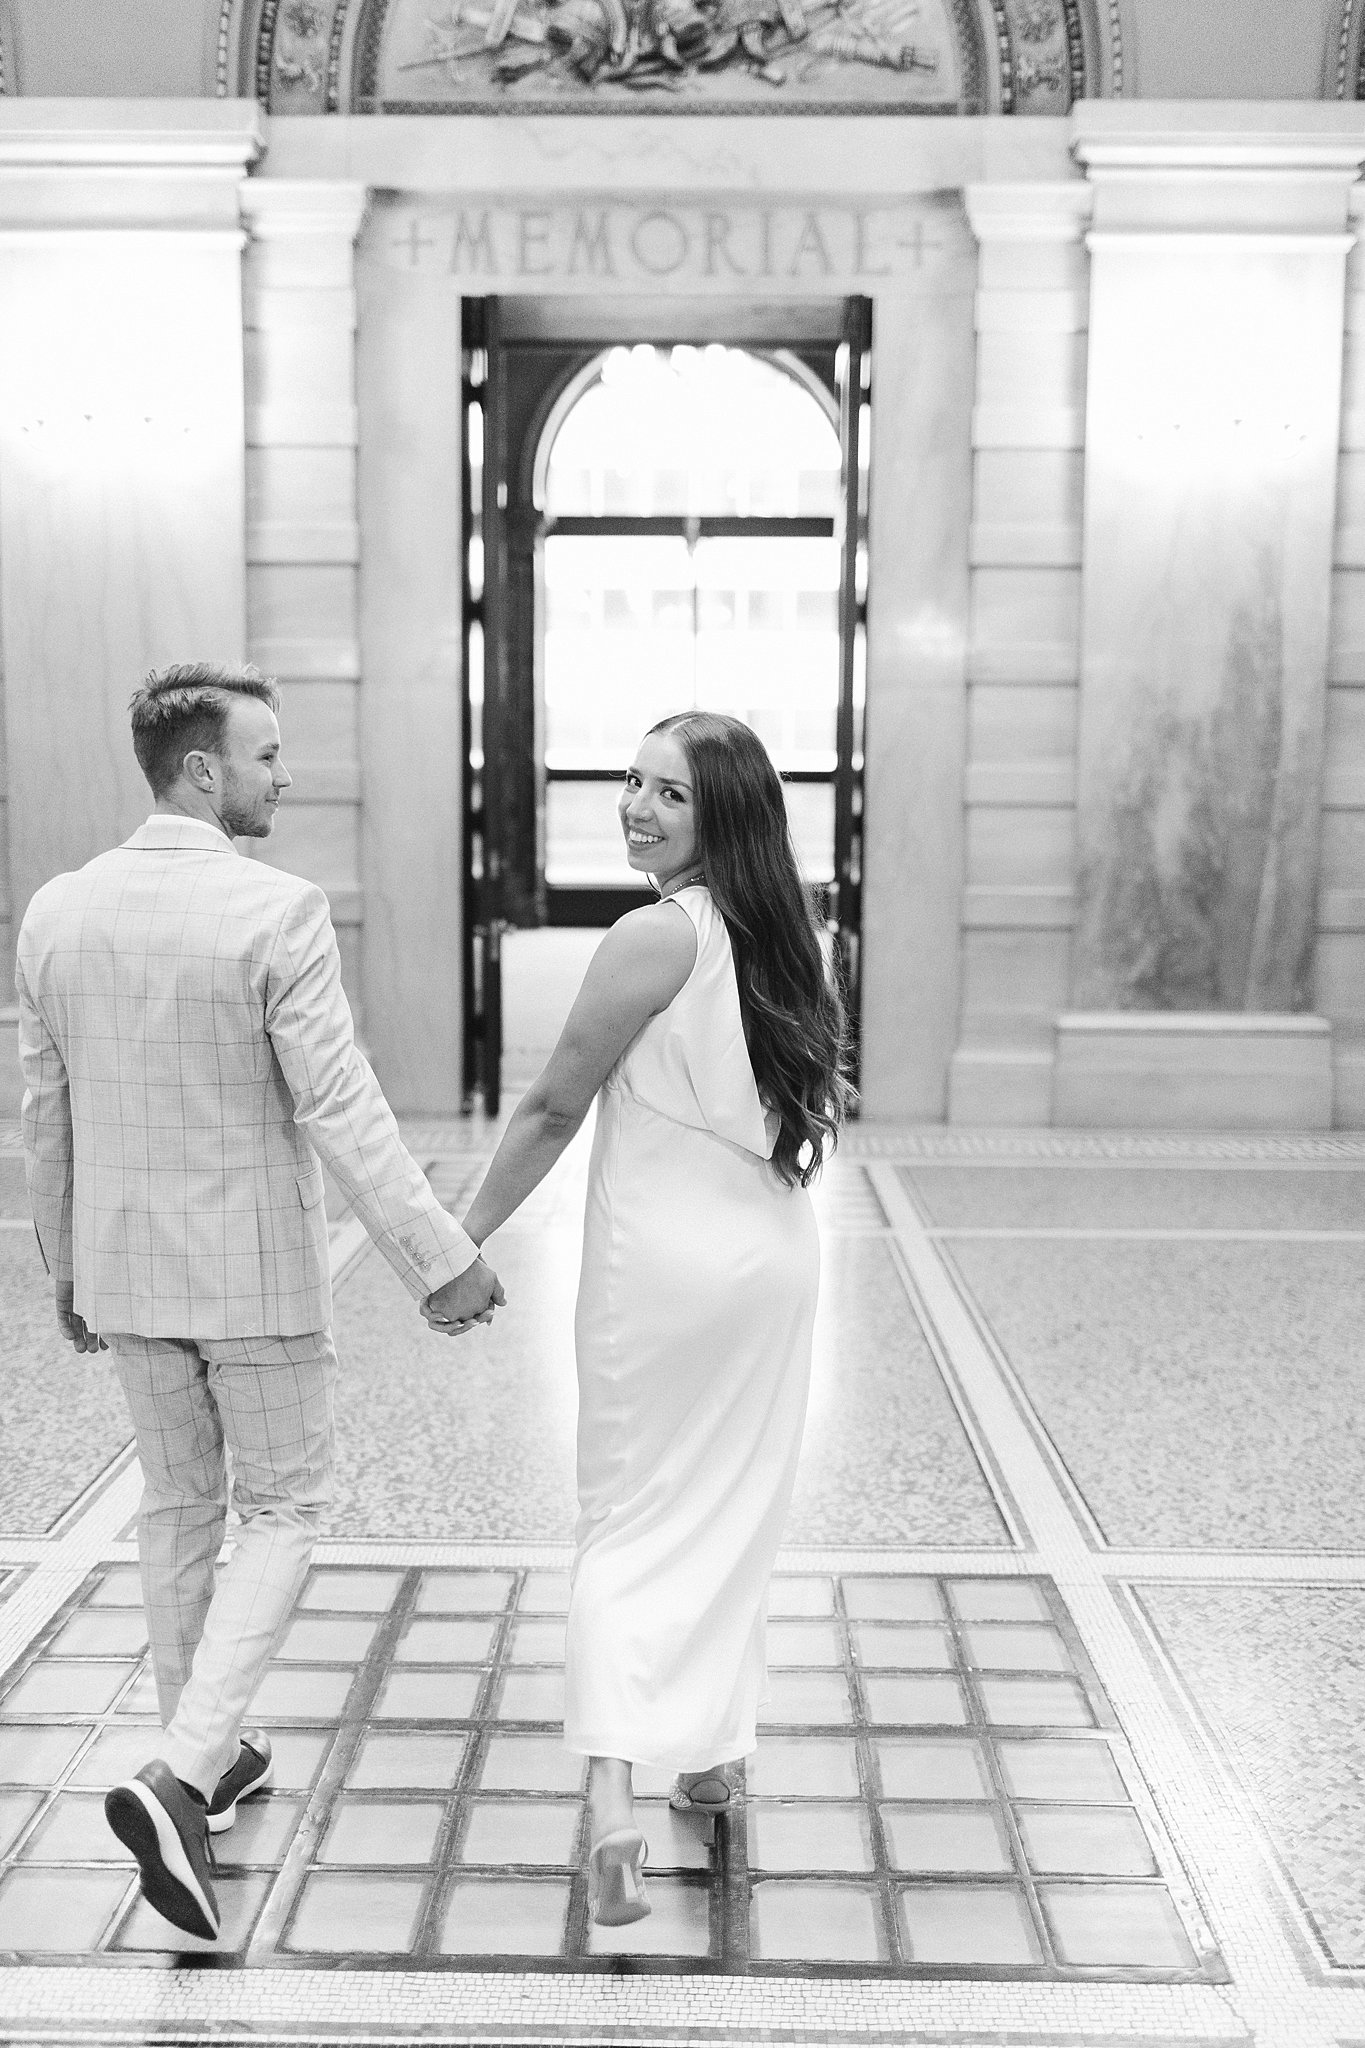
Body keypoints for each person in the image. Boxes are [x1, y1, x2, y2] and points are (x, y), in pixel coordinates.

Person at [16, 663, 504, 1945]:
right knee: (285, 1506)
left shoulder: (56, 909)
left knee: (178, 1506)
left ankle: (206, 1755)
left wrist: (62, 1260)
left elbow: (46, 1110)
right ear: (199, 770)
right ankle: (180, 1770)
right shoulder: (277, 910)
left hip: (125, 1270)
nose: (286, 774)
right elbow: (339, 1102)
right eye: (268, 754)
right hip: (254, 1280)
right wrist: (437, 1253)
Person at [452, 710, 850, 1925]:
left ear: (720, 815)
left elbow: (551, 1105)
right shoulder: (792, 937)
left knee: (626, 1513)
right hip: (771, 1259)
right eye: (632, 780)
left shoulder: (650, 935)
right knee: (732, 1505)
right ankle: (715, 1753)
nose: (633, 804)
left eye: (667, 793)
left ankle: (616, 1805)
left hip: (661, 1275)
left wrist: (449, 1238)